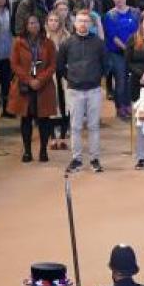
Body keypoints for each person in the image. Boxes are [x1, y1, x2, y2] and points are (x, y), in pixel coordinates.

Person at [57, 10, 108, 173]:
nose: (83, 24)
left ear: (91, 24)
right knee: (76, 126)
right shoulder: (67, 43)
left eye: (86, 21)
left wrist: (96, 78)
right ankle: (76, 159)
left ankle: (94, 159)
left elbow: (106, 65)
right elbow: (60, 66)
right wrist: (71, 79)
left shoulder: (99, 43)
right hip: (74, 91)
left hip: (93, 90)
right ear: (74, 23)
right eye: (80, 21)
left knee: (93, 126)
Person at [8, 14, 57, 163]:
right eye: (30, 23)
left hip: (44, 86)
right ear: (25, 25)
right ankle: (27, 151)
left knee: (44, 119)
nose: (33, 25)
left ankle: (43, 150)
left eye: (35, 23)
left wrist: (40, 80)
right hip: (25, 85)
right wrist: (29, 80)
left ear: (40, 24)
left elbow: (52, 65)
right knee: (26, 119)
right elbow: (14, 64)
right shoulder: (18, 42)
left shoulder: (48, 43)